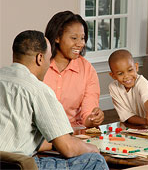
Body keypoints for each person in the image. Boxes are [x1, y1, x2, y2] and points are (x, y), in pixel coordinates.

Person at [0, 30, 109, 169]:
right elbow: (68, 148)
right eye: (48, 57)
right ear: (40, 58)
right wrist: (92, 148)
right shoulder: (37, 89)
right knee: (95, 161)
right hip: (17, 166)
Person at [43, 11, 104, 128]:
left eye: (82, 38)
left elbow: (88, 114)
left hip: (71, 133)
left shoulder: (88, 70)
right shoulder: (39, 65)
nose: (81, 44)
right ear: (57, 37)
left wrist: (93, 118)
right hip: (40, 134)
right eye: (74, 38)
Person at [108, 49, 148, 125]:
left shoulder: (142, 83)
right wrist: (146, 121)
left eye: (130, 70)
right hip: (138, 125)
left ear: (136, 67)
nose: (126, 76)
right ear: (113, 75)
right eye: (120, 74)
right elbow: (126, 116)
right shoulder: (113, 88)